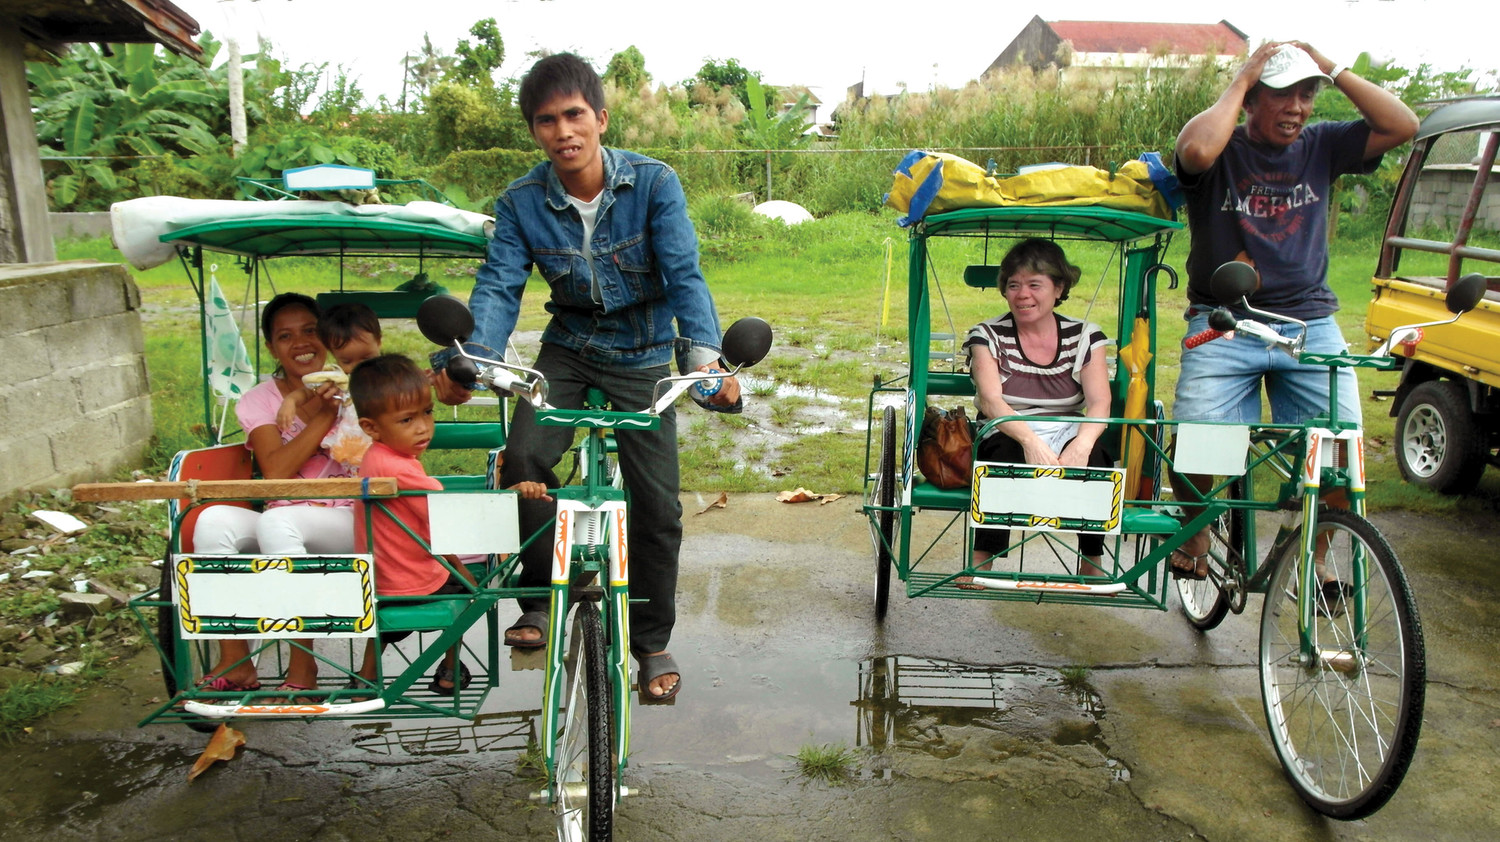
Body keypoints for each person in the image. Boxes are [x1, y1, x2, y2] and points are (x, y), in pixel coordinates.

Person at [451, 53, 739, 702]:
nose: (563, 130)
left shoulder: (655, 185)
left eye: (574, 114)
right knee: (522, 460)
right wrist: (477, 357)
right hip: (569, 348)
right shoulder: (522, 202)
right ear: (535, 132)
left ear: (600, 118)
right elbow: (498, 286)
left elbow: (684, 275)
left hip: (641, 350)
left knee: (658, 505)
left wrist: (703, 360)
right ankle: (537, 598)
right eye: (547, 120)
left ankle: (650, 639)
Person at [1169, 41, 1418, 582]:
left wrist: (1330, 67)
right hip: (1224, 322)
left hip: (1309, 323)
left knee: (1340, 448)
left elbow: (1404, 124)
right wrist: (1243, 76)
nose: (1297, 108)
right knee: (1197, 443)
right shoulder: (1223, 149)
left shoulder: (1324, 145)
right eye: (1283, 94)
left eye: (1307, 95)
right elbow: (1193, 153)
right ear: (1253, 99)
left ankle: (1313, 555)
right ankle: (1197, 533)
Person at [348, 355, 549, 696]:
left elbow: (423, 530)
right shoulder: (407, 473)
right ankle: (450, 668)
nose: (423, 427)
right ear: (371, 427)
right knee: (467, 591)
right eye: (407, 419)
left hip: (378, 580)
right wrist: (511, 493)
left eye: (427, 413)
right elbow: (450, 524)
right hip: (414, 582)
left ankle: (367, 674)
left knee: (390, 624)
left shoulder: (372, 459)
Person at [191, 292, 356, 697]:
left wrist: (337, 404)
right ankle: (236, 660)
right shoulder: (259, 401)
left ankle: (303, 661)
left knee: (279, 521)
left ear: (329, 336)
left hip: (349, 514)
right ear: (271, 348)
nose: (300, 343)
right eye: (285, 336)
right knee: (212, 521)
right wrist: (325, 414)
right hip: (281, 513)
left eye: (310, 331)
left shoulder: (358, 382)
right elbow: (277, 471)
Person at [958, 238, 1113, 584]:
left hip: (1067, 427)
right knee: (1004, 454)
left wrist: (1082, 445)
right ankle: (982, 558)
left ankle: (1092, 560)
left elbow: (1100, 402)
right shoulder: (987, 335)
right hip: (1005, 426)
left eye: (1034, 284)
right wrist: (1030, 440)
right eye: (1013, 285)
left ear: (1058, 288)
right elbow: (991, 401)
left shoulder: (1085, 335)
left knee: (1098, 458)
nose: (1022, 294)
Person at [275, 302, 383, 434]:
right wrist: (290, 401)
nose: (358, 367)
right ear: (333, 354)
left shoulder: (392, 374)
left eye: (366, 358)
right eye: (347, 361)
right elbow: (307, 391)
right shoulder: (336, 377)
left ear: (378, 342)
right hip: (348, 445)